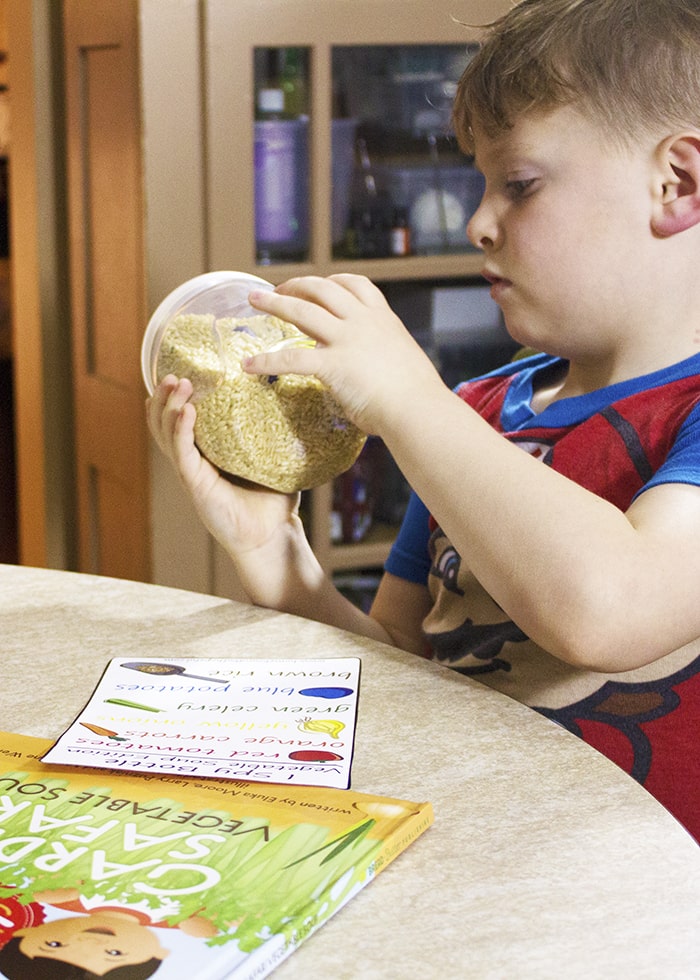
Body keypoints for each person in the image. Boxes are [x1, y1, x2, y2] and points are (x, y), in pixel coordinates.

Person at [147, 0, 700, 841]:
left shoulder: (465, 424)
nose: (479, 220)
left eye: (519, 184)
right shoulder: (477, 414)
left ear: (678, 184)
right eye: (480, 184)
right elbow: (404, 674)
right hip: (475, 865)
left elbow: (610, 608)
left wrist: (410, 400)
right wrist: (275, 555)